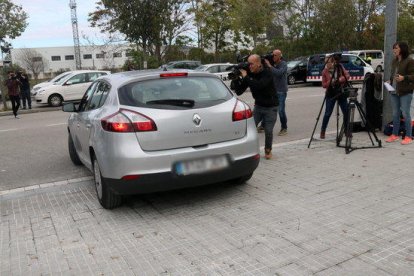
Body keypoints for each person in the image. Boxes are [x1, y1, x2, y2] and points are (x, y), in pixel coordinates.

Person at [231, 54, 279, 159]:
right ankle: (246, 151)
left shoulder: (267, 73)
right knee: (249, 128)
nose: (249, 66)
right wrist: (235, 79)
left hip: (271, 107)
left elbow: (259, 85)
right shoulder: (250, 74)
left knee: (268, 130)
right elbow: (239, 91)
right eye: (248, 64)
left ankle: (268, 150)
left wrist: (246, 77)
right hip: (259, 106)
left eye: (251, 64)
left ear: (258, 63)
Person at [385, 41, 414, 145]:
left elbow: (412, 76)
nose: (394, 50)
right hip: (394, 90)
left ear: (402, 49)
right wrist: (390, 80)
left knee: (406, 114)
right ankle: (395, 135)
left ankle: (409, 136)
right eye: (394, 48)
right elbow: (394, 75)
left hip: (405, 91)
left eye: (396, 48)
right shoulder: (394, 61)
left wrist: (404, 78)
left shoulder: (409, 61)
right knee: (395, 113)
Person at [320, 55, 350, 139]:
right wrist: (331, 81)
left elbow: (347, 76)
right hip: (330, 93)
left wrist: (340, 79)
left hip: (341, 92)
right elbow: (323, 84)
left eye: (328, 62)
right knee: (327, 113)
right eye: (326, 63)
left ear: (333, 62)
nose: (327, 64)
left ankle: (346, 130)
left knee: (346, 111)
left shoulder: (339, 67)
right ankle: (323, 130)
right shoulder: (324, 71)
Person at [265, 49, 288, 136]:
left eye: (274, 55)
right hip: (273, 91)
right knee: (268, 108)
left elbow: (279, 73)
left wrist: (270, 66)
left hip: (281, 91)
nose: (273, 56)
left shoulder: (283, 64)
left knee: (281, 110)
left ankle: (284, 128)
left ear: (279, 56)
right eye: (272, 55)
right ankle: (263, 125)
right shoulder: (272, 63)